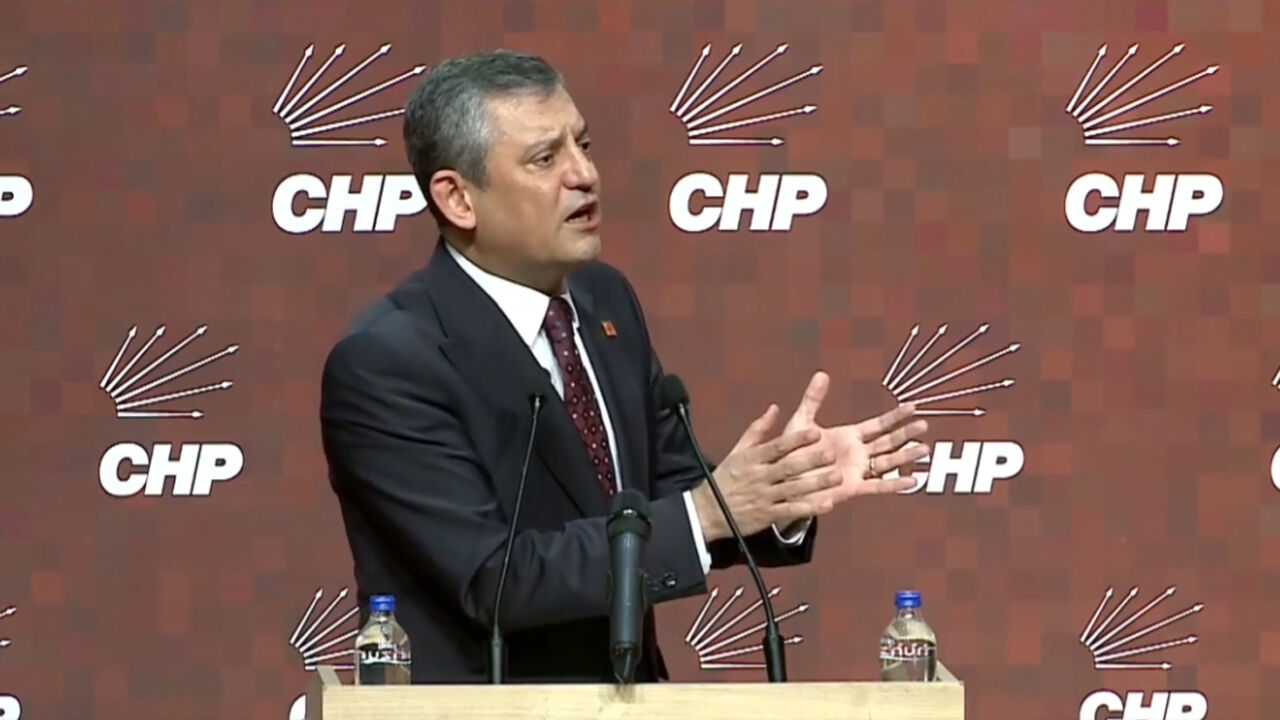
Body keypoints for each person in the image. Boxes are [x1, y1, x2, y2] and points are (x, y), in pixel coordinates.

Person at [319, 49, 930, 684]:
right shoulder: (388, 364)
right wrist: (704, 513)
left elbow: (670, 490)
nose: (584, 175)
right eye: (545, 159)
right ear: (458, 199)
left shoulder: (605, 303)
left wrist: (783, 489)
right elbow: (492, 578)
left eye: (583, 146)